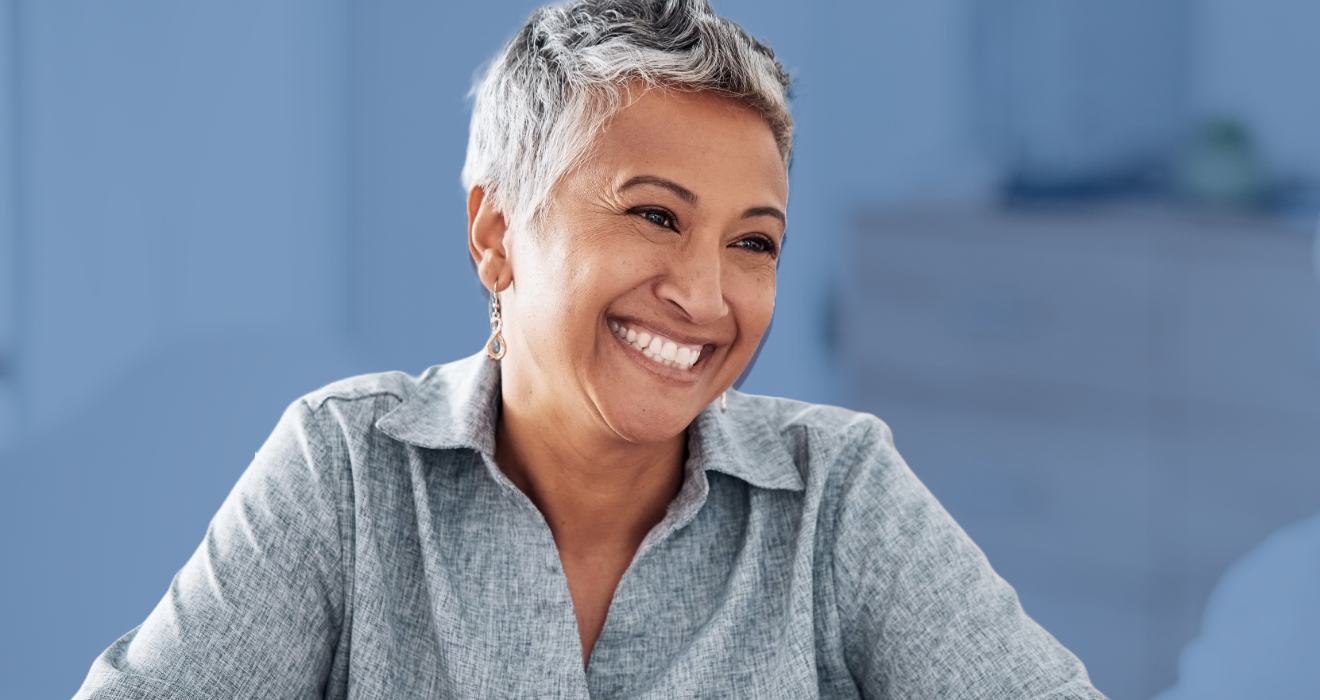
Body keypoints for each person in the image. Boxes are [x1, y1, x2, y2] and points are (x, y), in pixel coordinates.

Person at [76, 1, 1105, 697]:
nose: (704, 296)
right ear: (495, 234)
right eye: (654, 216)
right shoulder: (345, 471)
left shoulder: (837, 495)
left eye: (753, 242)